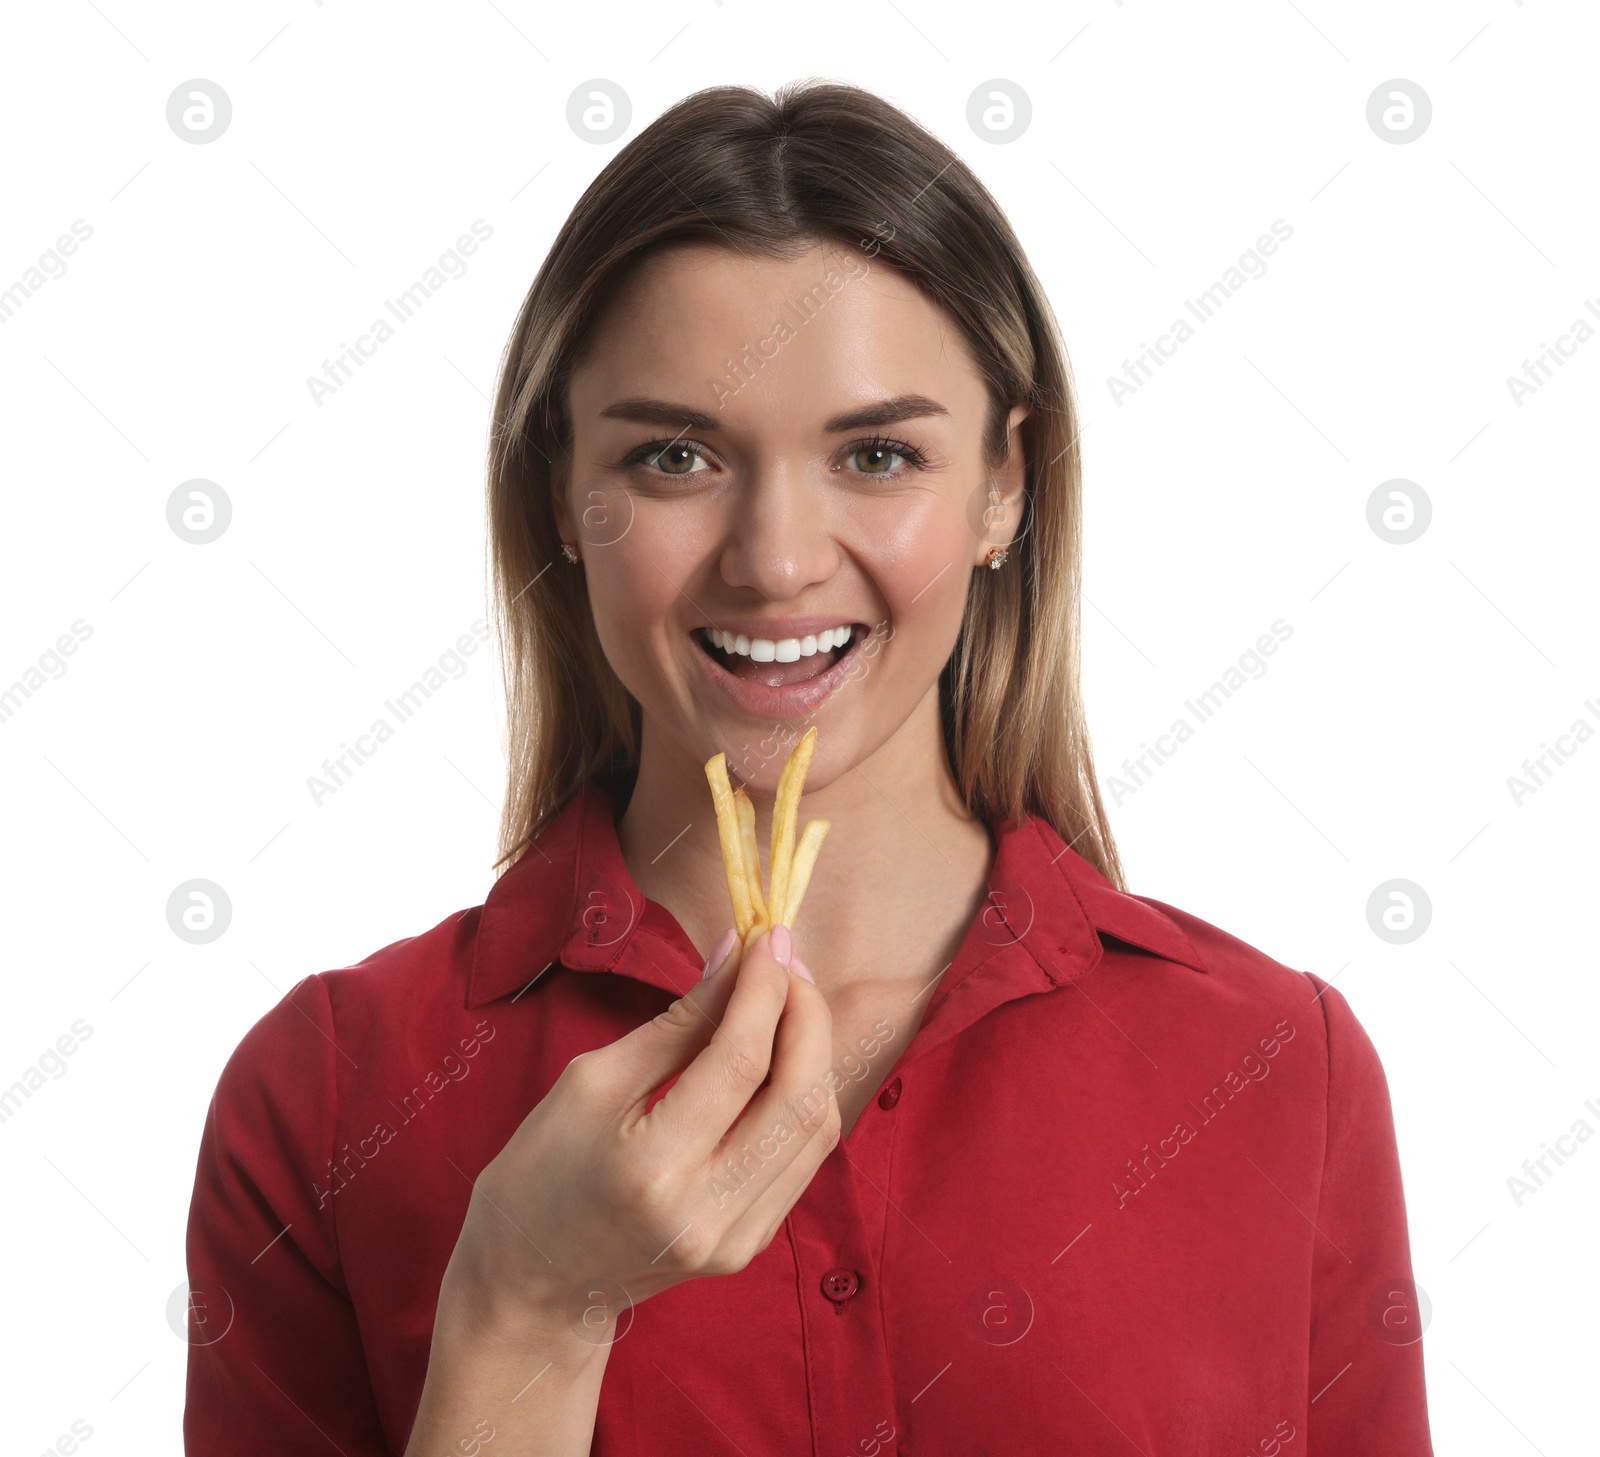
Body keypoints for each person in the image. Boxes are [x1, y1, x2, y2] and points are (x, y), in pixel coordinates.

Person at [183, 81, 1434, 1455]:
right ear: (563, 493)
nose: (776, 558)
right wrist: (529, 1310)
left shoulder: (1275, 1069)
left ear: (1003, 487)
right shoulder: (329, 1094)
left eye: (879, 453)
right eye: (675, 456)